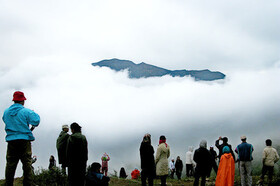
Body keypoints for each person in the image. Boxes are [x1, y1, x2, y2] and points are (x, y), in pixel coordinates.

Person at [2, 91, 40, 186]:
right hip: (24, 141)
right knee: (27, 164)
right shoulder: (26, 111)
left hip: (11, 142)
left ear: (14, 100)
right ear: (23, 101)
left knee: (10, 165)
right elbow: (36, 121)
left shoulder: (6, 112)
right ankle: (28, 184)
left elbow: (4, 119)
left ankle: (8, 183)